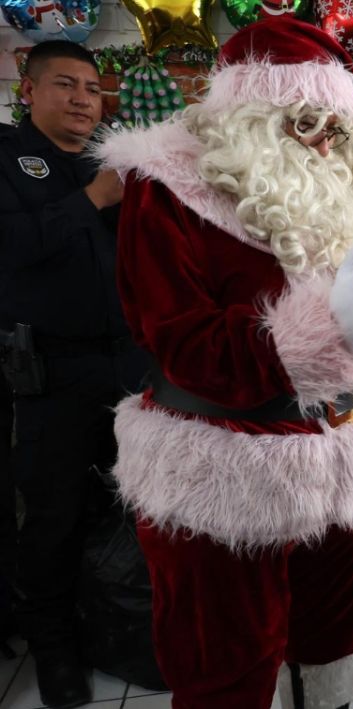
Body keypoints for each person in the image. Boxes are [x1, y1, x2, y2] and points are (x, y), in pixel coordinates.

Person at [97, 17, 353, 709]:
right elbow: (179, 341)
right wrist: (326, 331)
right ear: (247, 113)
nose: (323, 139)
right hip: (227, 473)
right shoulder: (169, 188)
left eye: (336, 124)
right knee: (227, 661)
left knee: (334, 638)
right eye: (304, 119)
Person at [0, 40, 149, 708]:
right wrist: (92, 198)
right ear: (28, 90)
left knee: (138, 500)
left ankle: (123, 622)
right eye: (66, 84)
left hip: (131, 362)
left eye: (93, 87)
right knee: (54, 515)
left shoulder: (112, 160)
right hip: (51, 371)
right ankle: (56, 647)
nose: (85, 98)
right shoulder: (7, 159)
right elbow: (13, 250)